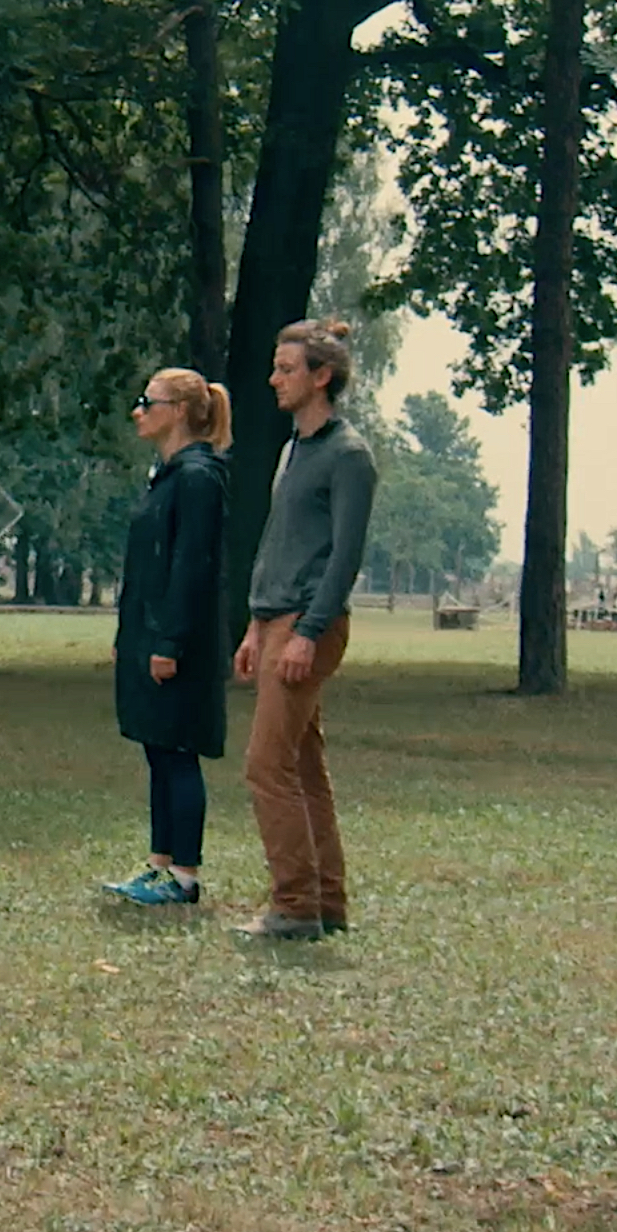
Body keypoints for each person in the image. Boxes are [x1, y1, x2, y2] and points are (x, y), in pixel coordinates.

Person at [231, 320, 377, 942]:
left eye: (286, 368)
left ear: (322, 376)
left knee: (266, 766)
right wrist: (254, 626)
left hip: (308, 624)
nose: (274, 379)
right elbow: (279, 545)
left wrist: (307, 633)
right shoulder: (294, 451)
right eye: (275, 366)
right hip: (275, 619)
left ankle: (293, 906)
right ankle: (327, 902)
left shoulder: (349, 457)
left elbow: (344, 556)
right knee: (304, 766)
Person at [101, 368, 233, 907]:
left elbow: (192, 567)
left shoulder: (200, 477)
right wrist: (128, 632)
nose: (137, 411)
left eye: (146, 402)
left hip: (180, 643)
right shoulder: (169, 476)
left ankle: (184, 874)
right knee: (158, 750)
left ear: (178, 410)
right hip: (149, 632)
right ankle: (158, 864)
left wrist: (169, 643)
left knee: (178, 752)